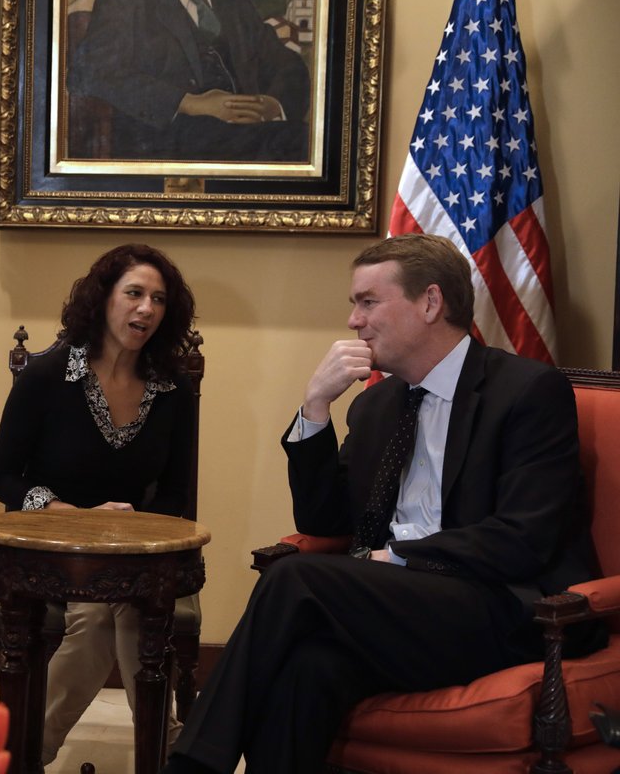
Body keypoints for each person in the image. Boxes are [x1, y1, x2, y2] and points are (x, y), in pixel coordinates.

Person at [162, 234, 605, 773]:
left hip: (501, 607)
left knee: (295, 577)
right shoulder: (376, 404)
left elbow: (522, 537)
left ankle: (191, 766)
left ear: (430, 303)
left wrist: (397, 557)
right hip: (404, 609)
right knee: (309, 669)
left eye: (367, 301)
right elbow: (326, 520)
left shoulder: (527, 390)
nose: (353, 320)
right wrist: (315, 406)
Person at [0, 243, 198, 766]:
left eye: (158, 299)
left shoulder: (173, 391)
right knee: (101, 620)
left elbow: (177, 495)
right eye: (134, 294)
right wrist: (75, 518)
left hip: (140, 553)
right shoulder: (46, 377)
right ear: (104, 299)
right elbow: (3, 477)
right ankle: (160, 753)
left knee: (132, 612)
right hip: (55, 548)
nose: (146, 309)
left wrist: (136, 531)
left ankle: (24, 752)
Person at [68, 0, 310, 161]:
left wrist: (271, 104)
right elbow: (91, 70)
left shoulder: (237, 7)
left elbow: (289, 67)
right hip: (163, 138)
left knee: (311, 143)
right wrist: (189, 103)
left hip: (248, 133)